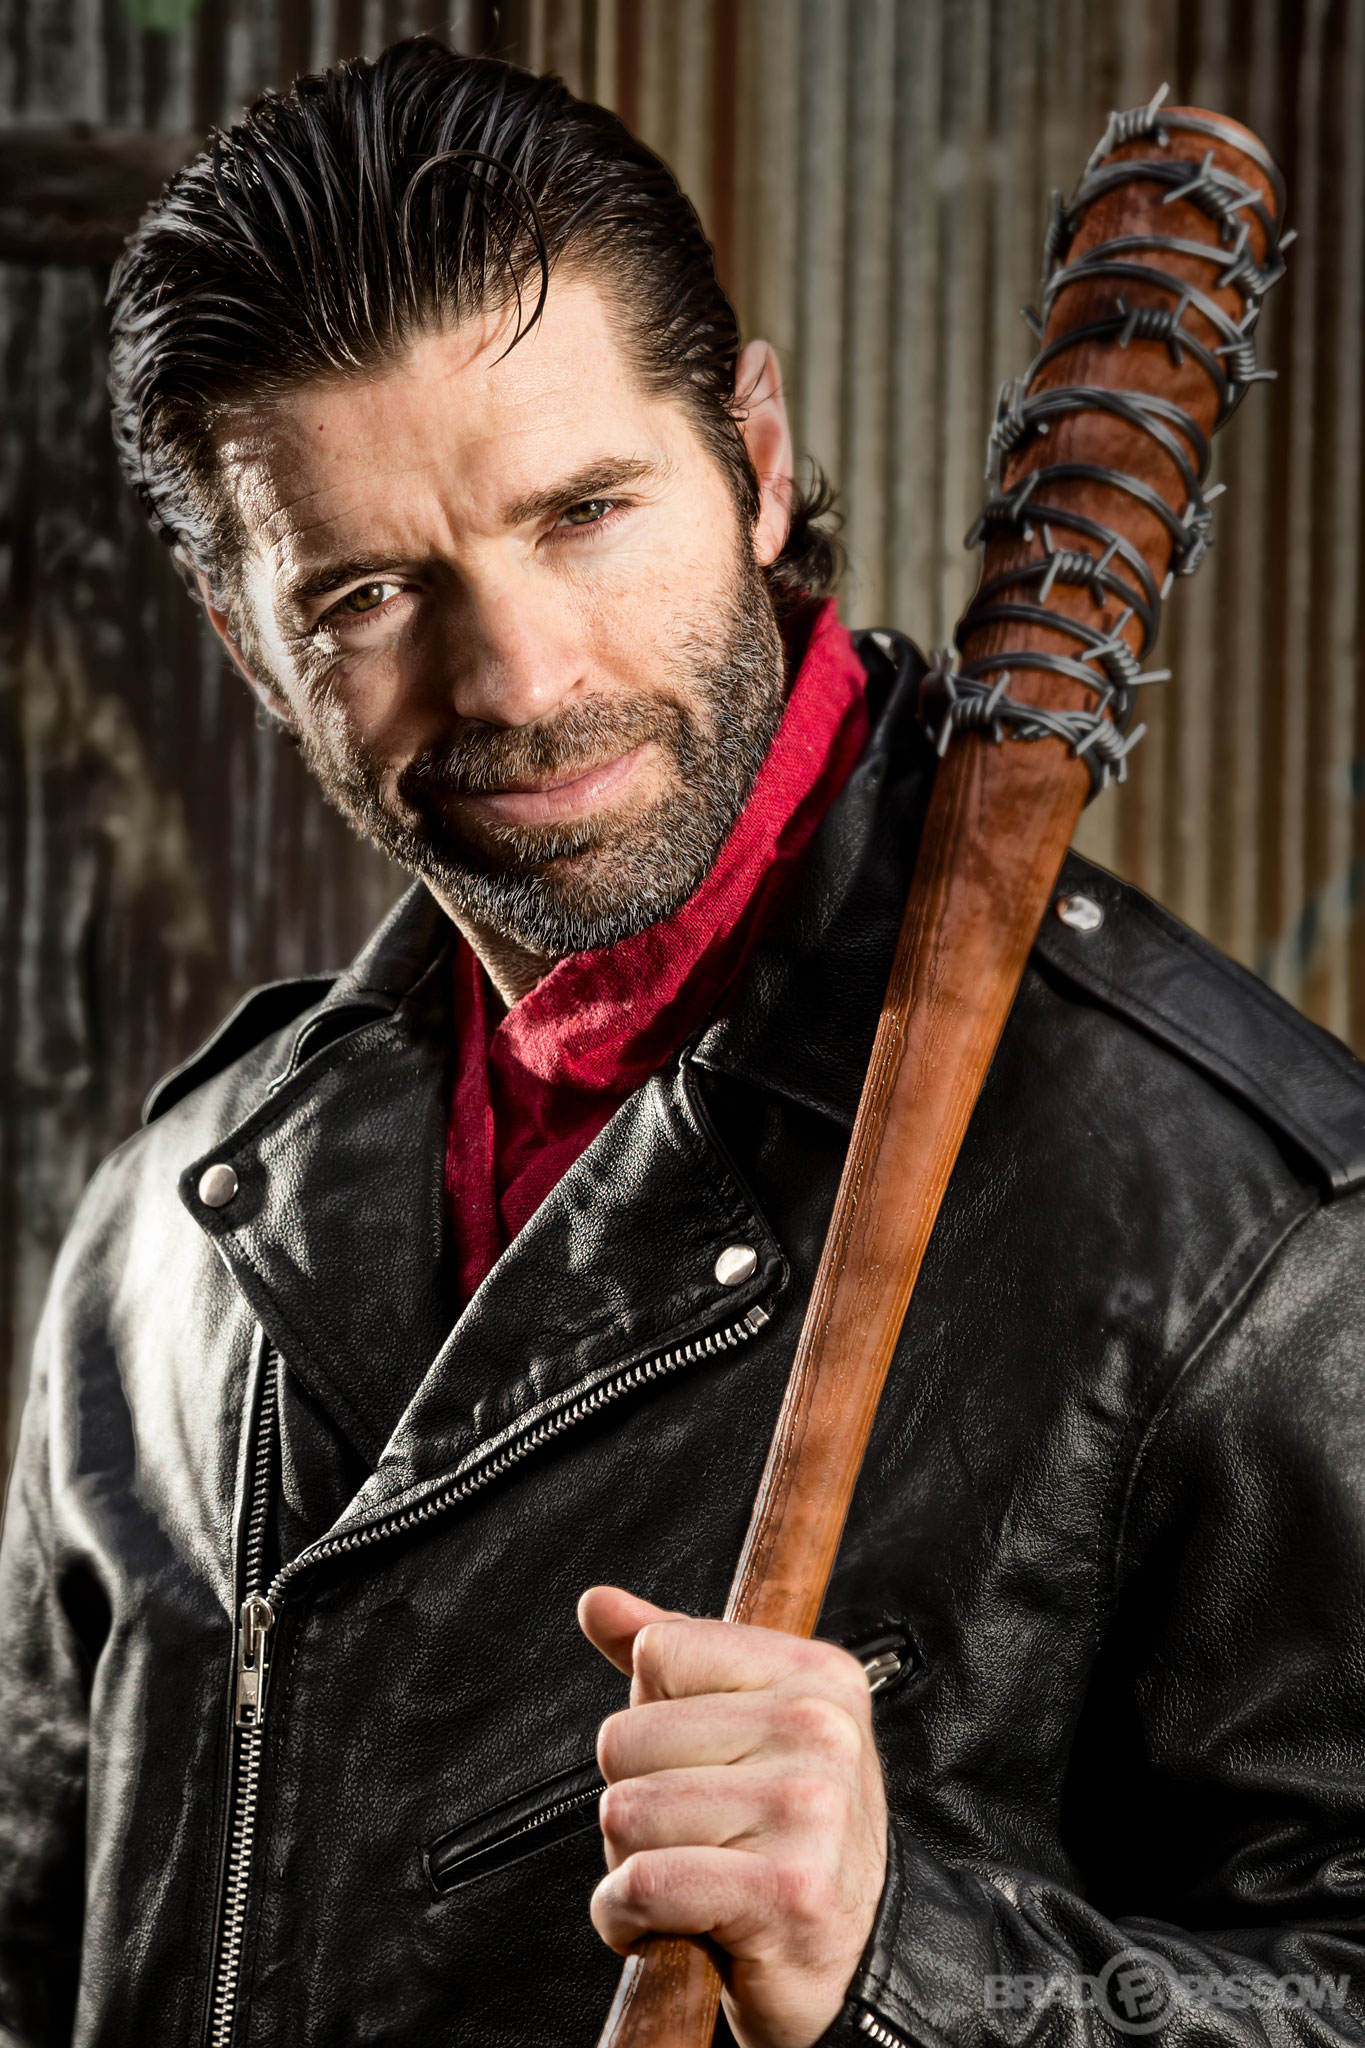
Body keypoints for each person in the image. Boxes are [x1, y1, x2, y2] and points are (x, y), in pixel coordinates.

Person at [3, 36, 1365, 2048]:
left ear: (756, 452)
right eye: (369, 590)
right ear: (243, 636)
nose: (517, 676)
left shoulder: (1232, 1217)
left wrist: (903, 1959)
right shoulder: (170, 1237)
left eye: (583, 511)